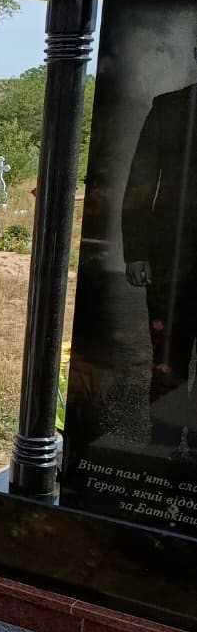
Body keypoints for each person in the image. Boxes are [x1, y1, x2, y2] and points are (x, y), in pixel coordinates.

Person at [122, 70, 197, 454]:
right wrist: (136, 250)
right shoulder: (169, 107)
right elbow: (141, 180)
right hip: (171, 257)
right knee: (168, 355)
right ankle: (164, 443)